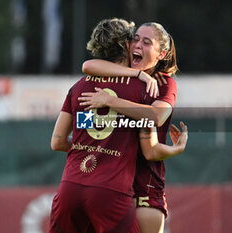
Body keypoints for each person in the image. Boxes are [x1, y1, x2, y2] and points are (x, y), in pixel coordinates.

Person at [50, 18, 187, 233]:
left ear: (162, 54)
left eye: (147, 42)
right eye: (135, 39)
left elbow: (61, 140)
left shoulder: (83, 85)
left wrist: (110, 104)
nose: (138, 45)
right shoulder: (141, 89)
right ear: (125, 45)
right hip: (121, 190)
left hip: (121, 185)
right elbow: (150, 149)